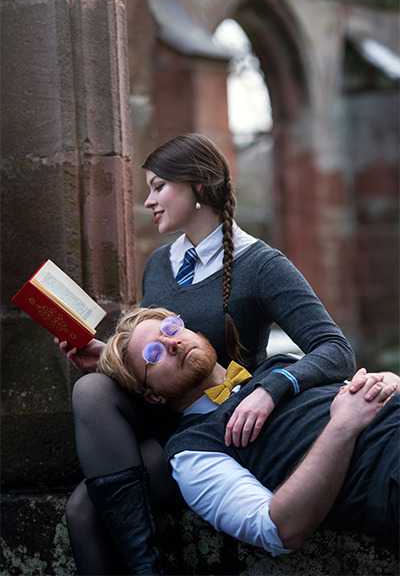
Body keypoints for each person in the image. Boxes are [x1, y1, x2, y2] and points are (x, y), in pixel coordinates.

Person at [59, 134, 357, 575]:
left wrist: (271, 389)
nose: (148, 201)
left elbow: (335, 350)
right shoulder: (159, 263)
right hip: (166, 410)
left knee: (85, 511)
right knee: (91, 390)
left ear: (198, 186)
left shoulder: (262, 265)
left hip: (218, 425)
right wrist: (107, 355)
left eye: (159, 187)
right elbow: (159, 354)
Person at [98, 307, 399, 558]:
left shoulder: (283, 366)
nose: (172, 343)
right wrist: (341, 427)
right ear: (154, 396)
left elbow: (359, 390)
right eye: (153, 353)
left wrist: (386, 383)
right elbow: (279, 530)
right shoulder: (192, 449)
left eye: (171, 328)